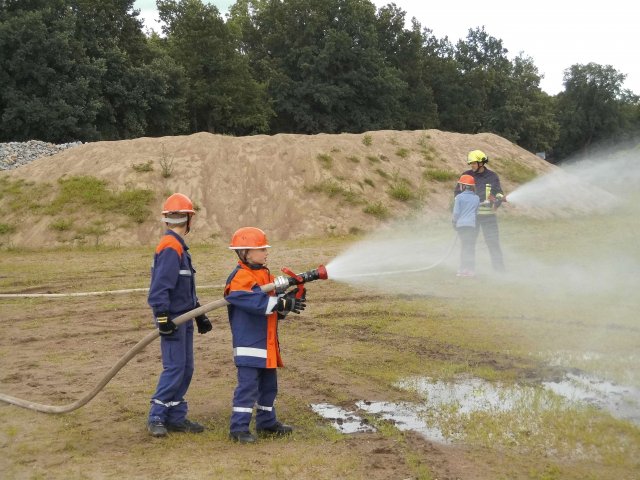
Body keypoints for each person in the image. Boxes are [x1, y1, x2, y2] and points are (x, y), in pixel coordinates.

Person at [224, 226, 306, 444]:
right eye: (261, 249)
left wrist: (291, 298)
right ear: (246, 252)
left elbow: (274, 309)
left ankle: (266, 422)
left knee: (269, 387)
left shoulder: (265, 274)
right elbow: (248, 300)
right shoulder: (240, 276)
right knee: (248, 387)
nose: (266, 252)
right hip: (249, 343)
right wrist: (278, 301)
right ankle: (239, 428)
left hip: (267, 343)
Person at [146, 193, 213, 438]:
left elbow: (182, 287)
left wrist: (198, 313)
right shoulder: (170, 247)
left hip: (184, 317)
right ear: (189, 220)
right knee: (175, 368)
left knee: (186, 368)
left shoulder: (177, 247)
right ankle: (156, 415)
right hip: (173, 319)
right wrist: (162, 317)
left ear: (167, 220)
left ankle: (175, 416)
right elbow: (160, 288)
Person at [455, 150, 506, 272]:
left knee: (493, 243)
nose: (471, 165)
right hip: (472, 217)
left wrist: (497, 199)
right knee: (468, 243)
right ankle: (467, 270)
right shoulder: (466, 175)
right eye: (471, 163)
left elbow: (499, 192)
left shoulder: (492, 176)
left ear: (481, 163)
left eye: (473, 163)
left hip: (489, 217)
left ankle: (500, 271)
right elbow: (457, 193)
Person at [452, 174, 480, 277]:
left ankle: (462, 270)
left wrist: (454, 222)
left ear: (463, 186)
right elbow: (476, 212)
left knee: (464, 247)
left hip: (461, 226)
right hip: (472, 226)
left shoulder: (459, 197)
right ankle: (471, 270)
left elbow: (456, 213)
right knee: (470, 247)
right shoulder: (476, 198)